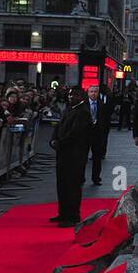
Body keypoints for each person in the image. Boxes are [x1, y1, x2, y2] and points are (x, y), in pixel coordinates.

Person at [49, 87, 93, 227]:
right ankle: (63, 212)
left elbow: (75, 133)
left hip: (74, 154)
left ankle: (72, 215)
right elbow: (59, 126)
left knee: (72, 185)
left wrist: (61, 142)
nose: (70, 97)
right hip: (63, 153)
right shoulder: (70, 109)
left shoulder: (83, 112)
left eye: (73, 95)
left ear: (80, 96)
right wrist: (53, 139)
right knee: (62, 184)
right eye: (69, 95)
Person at [86, 82, 112, 185]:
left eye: (95, 92)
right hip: (85, 134)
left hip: (97, 134)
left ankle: (96, 177)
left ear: (98, 93)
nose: (93, 94)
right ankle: (81, 177)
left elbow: (105, 120)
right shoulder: (83, 104)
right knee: (82, 157)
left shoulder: (102, 105)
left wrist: (104, 133)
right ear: (88, 92)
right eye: (91, 91)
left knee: (97, 158)